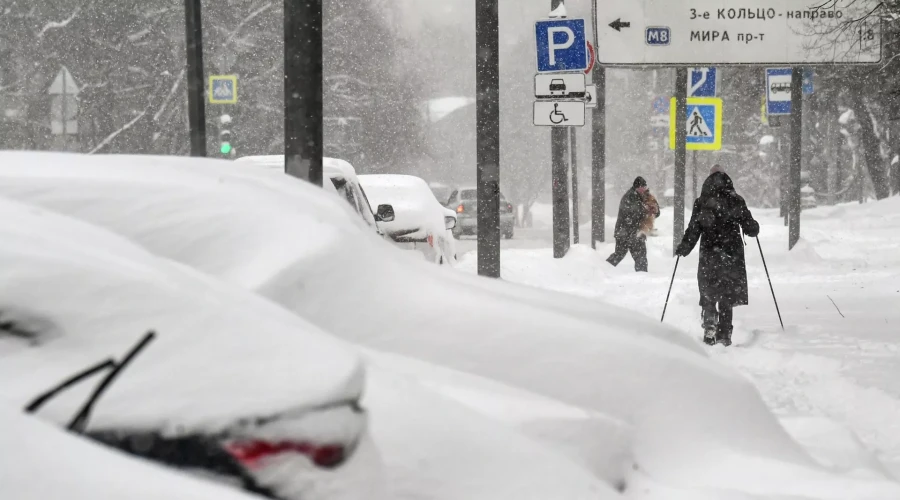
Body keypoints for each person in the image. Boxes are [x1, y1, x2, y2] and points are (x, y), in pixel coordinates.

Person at [675, 165, 759, 346]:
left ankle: (709, 324)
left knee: (709, 289)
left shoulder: (702, 201)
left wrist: (685, 247)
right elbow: (750, 227)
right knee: (727, 293)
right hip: (732, 253)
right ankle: (724, 334)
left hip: (709, 251)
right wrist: (753, 227)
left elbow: (694, 229)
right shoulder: (736, 200)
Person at [607, 176, 659, 272]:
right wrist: (646, 210)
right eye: (640, 188)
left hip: (637, 232)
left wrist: (654, 210)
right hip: (625, 232)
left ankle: (642, 276)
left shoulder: (646, 196)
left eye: (644, 187)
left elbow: (656, 210)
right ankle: (601, 270)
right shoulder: (629, 196)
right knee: (619, 254)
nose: (643, 190)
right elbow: (632, 214)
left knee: (640, 256)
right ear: (636, 188)